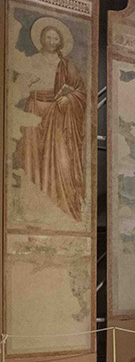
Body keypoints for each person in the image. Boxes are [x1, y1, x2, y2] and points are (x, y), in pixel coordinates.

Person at [15, 19, 86, 222]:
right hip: (34, 111)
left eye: (55, 38)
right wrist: (27, 83)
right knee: (32, 158)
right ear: (41, 39)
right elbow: (18, 87)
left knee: (61, 160)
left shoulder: (66, 65)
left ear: (60, 41)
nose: (52, 41)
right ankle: (33, 209)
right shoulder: (32, 61)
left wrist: (68, 98)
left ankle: (61, 206)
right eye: (48, 37)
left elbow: (80, 91)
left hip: (57, 114)